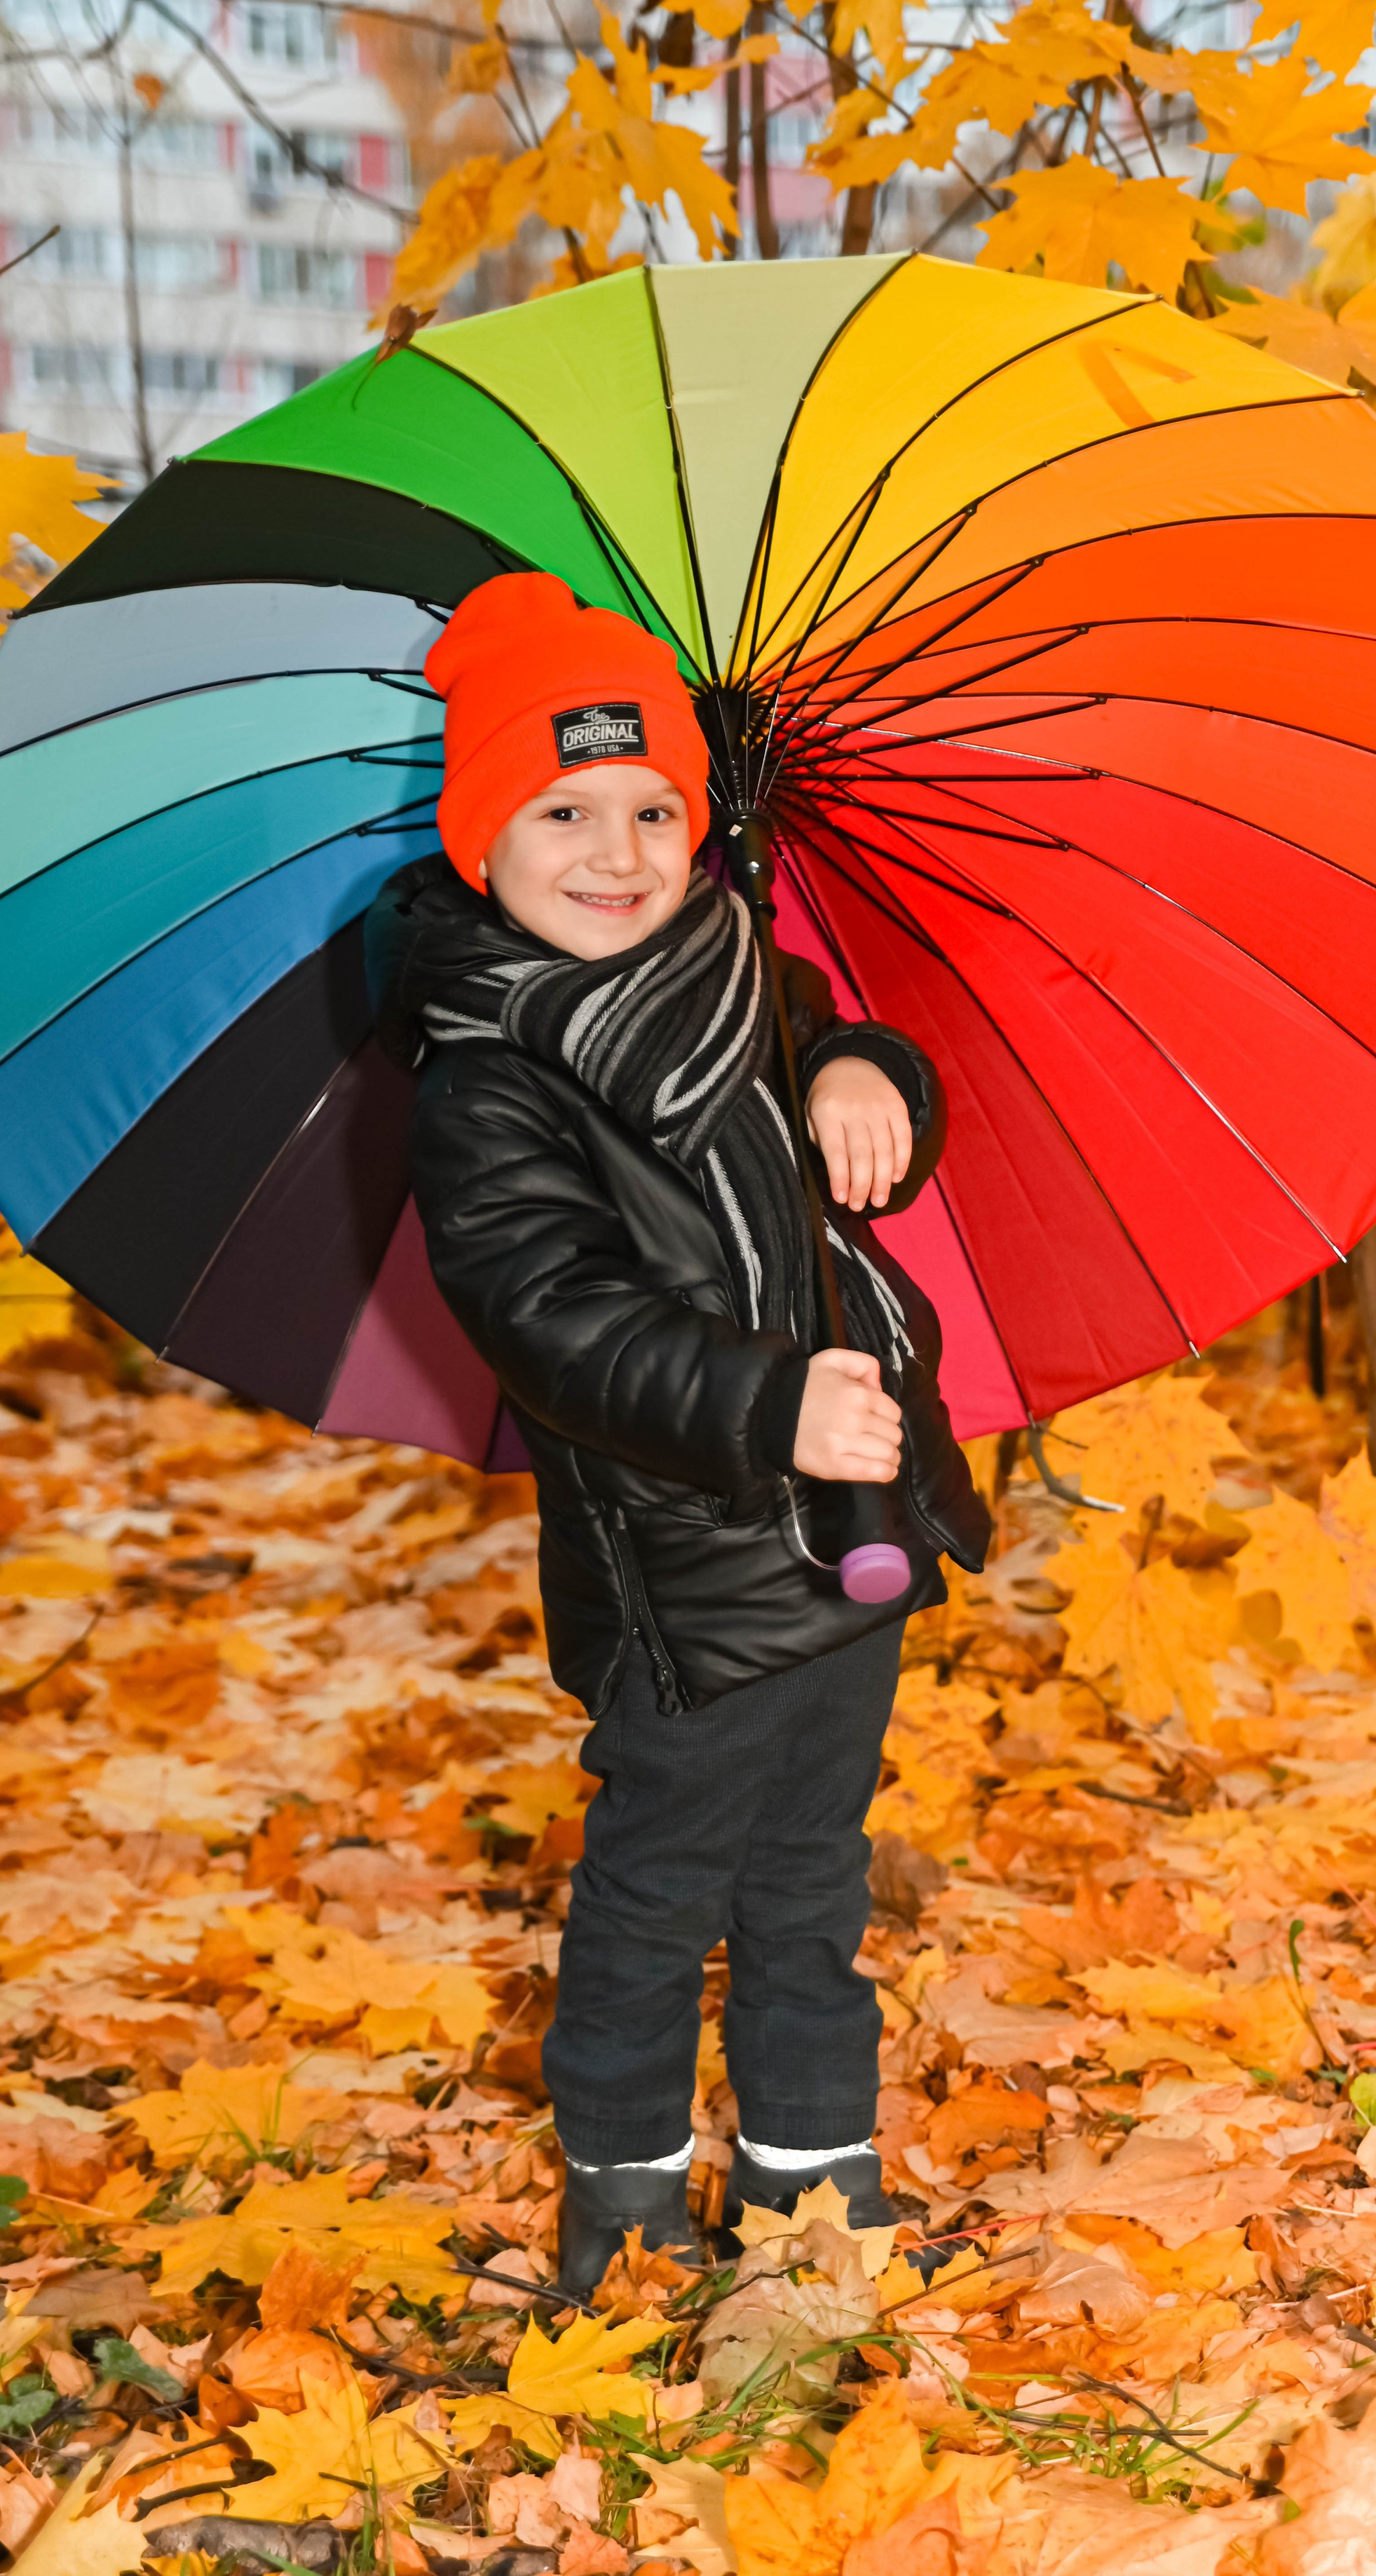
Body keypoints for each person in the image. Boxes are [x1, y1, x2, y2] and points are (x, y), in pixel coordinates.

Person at [366, 571, 990, 2295]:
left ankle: (808, 2177)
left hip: (847, 1528)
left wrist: (866, 1070)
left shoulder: (740, 976)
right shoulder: (485, 1079)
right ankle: (624, 2188)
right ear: (480, 837)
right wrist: (764, 1399)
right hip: (680, 1578)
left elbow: (852, 1126)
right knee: (655, 1895)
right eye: (560, 811)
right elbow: (553, 1321)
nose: (618, 850)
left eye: (654, 807)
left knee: (811, 1883)